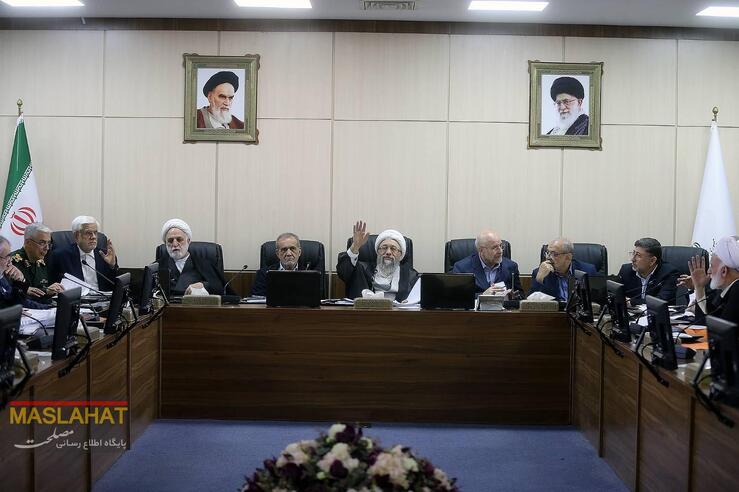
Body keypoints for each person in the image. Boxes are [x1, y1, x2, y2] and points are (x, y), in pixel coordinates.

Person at [336, 221, 419, 301]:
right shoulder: (361, 269)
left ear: (400, 254)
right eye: (384, 248)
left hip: (397, 311)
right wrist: (355, 247)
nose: (388, 252)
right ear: (377, 252)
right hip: (364, 310)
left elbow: (416, 300)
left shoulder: (411, 276)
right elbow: (343, 272)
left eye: (393, 249)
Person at [158, 218, 229, 296]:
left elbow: (219, 288)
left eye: (179, 239)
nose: (175, 244)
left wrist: (203, 285)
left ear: (188, 241)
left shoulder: (203, 263)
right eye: (170, 240)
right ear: (165, 243)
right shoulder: (158, 266)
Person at [48, 216, 118, 292]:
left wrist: (112, 266)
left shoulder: (105, 255)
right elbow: (52, 285)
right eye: (88, 233)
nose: (93, 237)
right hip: (77, 298)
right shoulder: (60, 256)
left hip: (103, 298)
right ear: (76, 236)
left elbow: (114, 285)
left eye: (95, 232)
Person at [451, 230, 523, 295]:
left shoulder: (511, 266)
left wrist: (512, 296)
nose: (500, 251)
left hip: (503, 305)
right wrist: (482, 296)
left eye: (501, 246)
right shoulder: (462, 268)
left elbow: (521, 295)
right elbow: (457, 297)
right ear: (481, 250)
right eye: (494, 247)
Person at [687, 235, 739, 325]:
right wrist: (699, 288)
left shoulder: (737, 291)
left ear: (724, 271)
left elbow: (714, 329)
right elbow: (705, 321)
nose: (708, 271)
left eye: (711, 266)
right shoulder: (723, 291)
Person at [11, 222, 64, 304]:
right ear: (28, 243)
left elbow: (41, 290)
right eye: (42, 243)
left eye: (48, 243)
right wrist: (46, 292)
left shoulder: (42, 262)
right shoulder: (12, 263)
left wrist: (51, 290)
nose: (47, 248)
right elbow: (16, 297)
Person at [528, 237, 597, 301]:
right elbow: (531, 303)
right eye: (547, 253)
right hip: (554, 310)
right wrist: (539, 279)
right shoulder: (539, 273)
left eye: (554, 254)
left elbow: (596, 301)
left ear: (568, 257)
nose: (548, 257)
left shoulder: (587, 271)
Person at [616, 238, 679, 306]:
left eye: (638, 255)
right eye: (633, 253)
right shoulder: (626, 270)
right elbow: (615, 293)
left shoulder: (669, 274)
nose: (632, 259)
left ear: (652, 261)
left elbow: (660, 302)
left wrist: (631, 302)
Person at [0, 234, 49, 309]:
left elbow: (20, 302)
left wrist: (21, 281)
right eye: (7, 257)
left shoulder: (2, 277)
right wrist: (14, 312)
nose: (10, 261)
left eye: (10, 256)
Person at [251, 232, 304, 297]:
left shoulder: (311, 275)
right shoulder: (263, 274)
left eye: (292, 249)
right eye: (284, 249)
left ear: (299, 252)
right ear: (277, 253)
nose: (289, 254)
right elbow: (257, 298)